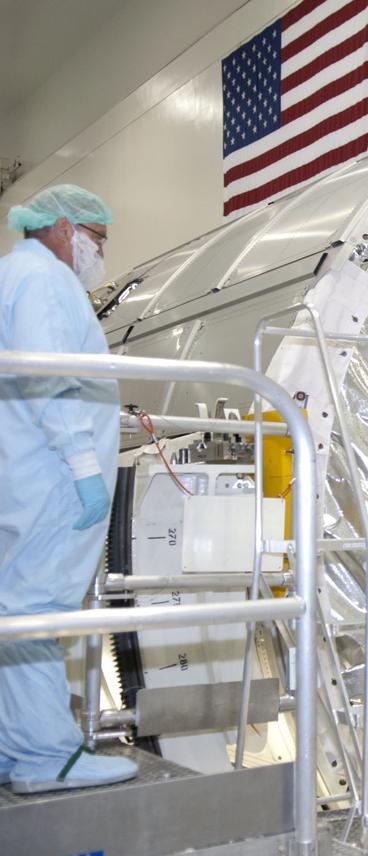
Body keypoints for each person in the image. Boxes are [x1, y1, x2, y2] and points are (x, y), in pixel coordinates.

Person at [0, 184, 137, 792]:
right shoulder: (47, 281)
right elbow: (52, 380)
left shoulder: (8, 275)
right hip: (54, 477)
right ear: (62, 227)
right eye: (96, 239)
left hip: (23, 471)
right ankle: (47, 757)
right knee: (35, 613)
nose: (97, 254)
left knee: (15, 612)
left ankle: (14, 748)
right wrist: (85, 470)